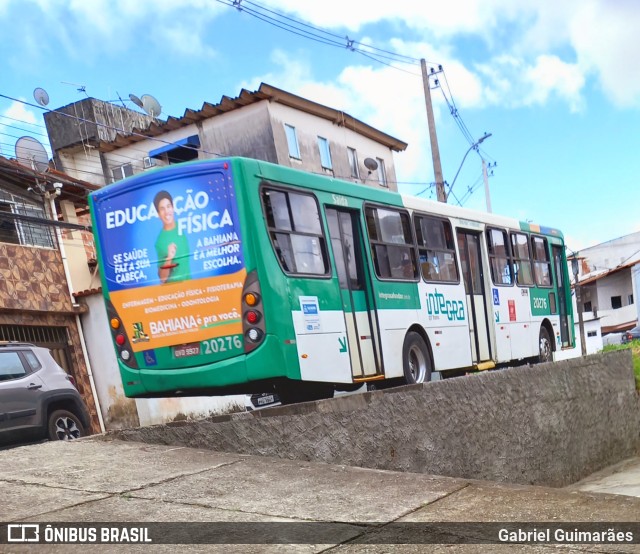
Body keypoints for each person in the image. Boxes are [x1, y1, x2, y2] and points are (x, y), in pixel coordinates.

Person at [153, 190, 190, 283]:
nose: (166, 212)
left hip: (191, 289)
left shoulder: (183, 226)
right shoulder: (160, 242)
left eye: (168, 206)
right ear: (158, 214)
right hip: (174, 292)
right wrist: (169, 258)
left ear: (173, 208)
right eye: (162, 209)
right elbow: (162, 278)